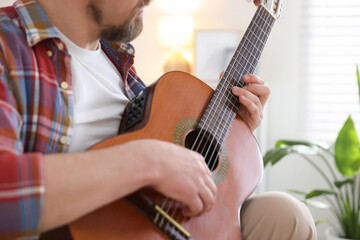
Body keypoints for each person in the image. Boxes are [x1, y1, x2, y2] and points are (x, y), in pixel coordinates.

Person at [0, 0, 317, 239]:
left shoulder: (118, 61)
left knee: (286, 213)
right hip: (90, 227)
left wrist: (234, 132)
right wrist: (145, 161)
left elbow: (180, 162)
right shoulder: (8, 46)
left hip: (157, 217)